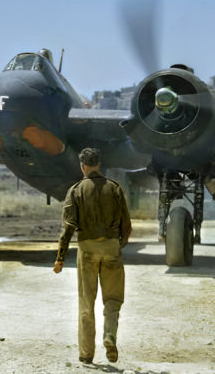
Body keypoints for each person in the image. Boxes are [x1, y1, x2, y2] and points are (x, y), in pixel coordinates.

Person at [53, 148, 132, 365]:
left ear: (82, 166)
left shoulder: (76, 190)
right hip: (111, 249)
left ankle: (87, 355)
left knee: (86, 303)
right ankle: (109, 336)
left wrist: (60, 258)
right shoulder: (114, 188)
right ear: (99, 164)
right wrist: (116, 246)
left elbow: (68, 228)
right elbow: (127, 226)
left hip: (86, 250)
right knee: (113, 300)